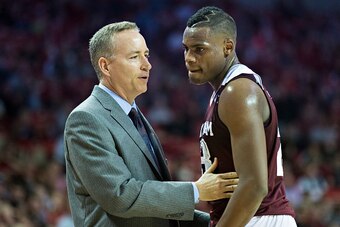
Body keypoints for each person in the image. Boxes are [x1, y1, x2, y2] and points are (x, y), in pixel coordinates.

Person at [64, 21, 239, 227]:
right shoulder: (86, 119)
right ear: (105, 66)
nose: (147, 64)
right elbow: (121, 196)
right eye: (134, 57)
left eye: (146, 55)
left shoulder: (134, 114)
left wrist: (218, 223)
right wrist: (196, 190)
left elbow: (155, 207)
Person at [182, 6, 297, 227]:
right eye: (186, 49)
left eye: (199, 49)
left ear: (228, 47)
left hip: (259, 217)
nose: (189, 58)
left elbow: (254, 185)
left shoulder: (238, 91)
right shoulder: (225, 92)